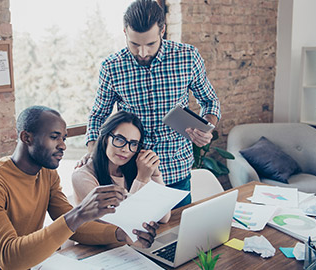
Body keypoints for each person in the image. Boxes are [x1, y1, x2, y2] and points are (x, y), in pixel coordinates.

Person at [0, 106, 158, 270]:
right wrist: (79, 213)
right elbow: (10, 260)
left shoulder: (47, 174)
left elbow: (75, 229)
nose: (63, 146)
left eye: (64, 138)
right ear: (27, 138)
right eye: (54, 137)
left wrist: (122, 235)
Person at [80, 0, 221, 208]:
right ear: (125, 32)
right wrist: (93, 156)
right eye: (135, 44)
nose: (142, 53)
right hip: (134, 174)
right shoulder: (112, 67)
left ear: (162, 31)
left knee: (178, 233)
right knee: (135, 235)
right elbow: (98, 116)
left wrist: (206, 128)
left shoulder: (188, 57)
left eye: (150, 44)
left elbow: (210, 101)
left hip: (177, 171)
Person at [72, 111, 170, 223]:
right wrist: (141, 179)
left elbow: (163, 218)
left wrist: (155, 175)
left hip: (135, 239)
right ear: (105, 138)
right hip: (103, 240)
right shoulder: (82, 176)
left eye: (133, 144)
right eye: (119, 139)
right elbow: (121, 224)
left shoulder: (131, 169)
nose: (125, 149)